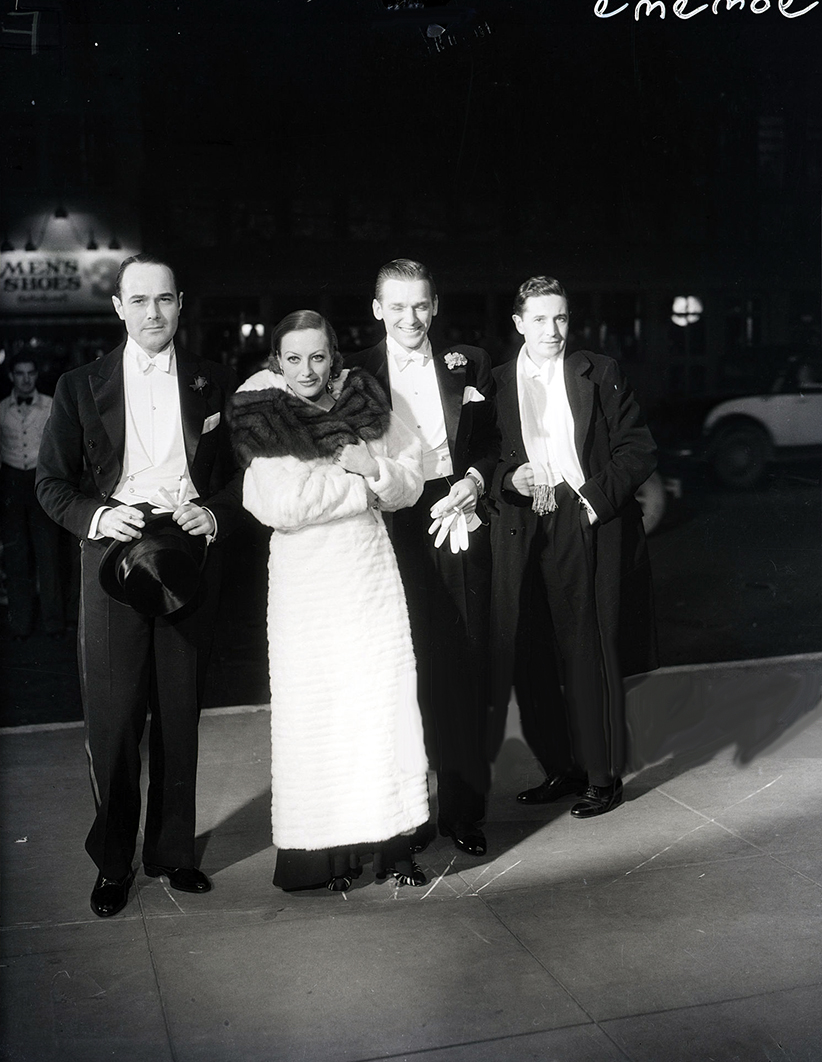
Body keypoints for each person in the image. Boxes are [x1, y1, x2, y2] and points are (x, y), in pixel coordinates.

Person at [36, 253, 242, 917]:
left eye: (165, 300)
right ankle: (114, 863)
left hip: (187, 558)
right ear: (118, 308)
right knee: (115, 722)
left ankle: (174, 853)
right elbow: (51, 485)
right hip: (111, 561)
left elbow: (245, 479)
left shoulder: (214, 381)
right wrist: (100, 515)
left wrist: (215, 512)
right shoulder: (77, 386)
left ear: (180, 304)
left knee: (179, 717)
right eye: (140, 301)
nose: (154, 313)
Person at [229, 310, 430, 891]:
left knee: (382, 710)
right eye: (293, 358)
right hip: (306, 589)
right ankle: (326, 854)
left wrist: (377, 468)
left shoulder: (364, 405)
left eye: (317, 356)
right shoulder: (260, 412)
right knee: (321, 716)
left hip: (368, 578)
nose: (306, 369)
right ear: (276, 362)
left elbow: (410, 482)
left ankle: (395, 845)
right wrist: (361, 484)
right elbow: (280, 505)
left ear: (334, 357)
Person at [489, 276, 657, 818]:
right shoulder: (494, 383)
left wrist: (592, 501)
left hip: (585, 515)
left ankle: (602, 776)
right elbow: (487, 460)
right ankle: (562, 768)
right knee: (532, 650)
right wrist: (510, 478)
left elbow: (638, 448)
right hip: (522, 524)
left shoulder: (598, 371)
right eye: (540, 319)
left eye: (560, 318)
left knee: (589, 647)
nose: (553, 330)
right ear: (518, 324)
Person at [347, 259, 498, 857]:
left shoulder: (471, 363)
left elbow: (491, 444)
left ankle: (463, 811)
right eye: (399, 307)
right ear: (378, 309)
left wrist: (476, 481)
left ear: (434, 306)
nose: (412, 318)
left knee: (460, 667)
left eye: (422, 306)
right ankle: (406, 817)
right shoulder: (354, 371)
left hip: (454, 514)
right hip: (388, 520)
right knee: (396, 673)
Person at [0, 353, 64, 638]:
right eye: (20, 374)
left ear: (37, 375)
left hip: (43, 483)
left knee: (48, 553)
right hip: (11, 484)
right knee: (16, 555)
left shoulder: (52, 406)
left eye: (31, 373)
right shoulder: (1, 409)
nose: (26, 379)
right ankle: (20, 622)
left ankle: (53, 622)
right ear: (11, 376)